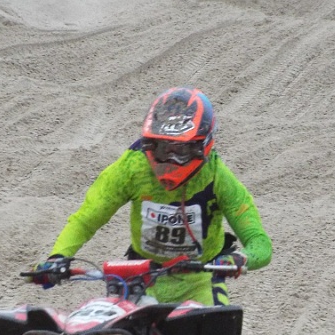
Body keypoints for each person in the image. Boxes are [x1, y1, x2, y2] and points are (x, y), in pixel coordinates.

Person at [31, 86, 272, 306]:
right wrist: (58, 257)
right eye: (160, 148)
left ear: (203, 146)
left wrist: (239, 259)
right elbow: (87, 219)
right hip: (141, 278)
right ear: (147, 143)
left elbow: (260, 244)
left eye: (181, 151)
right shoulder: (131, 168)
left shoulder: (218, 178)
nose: (169, 160)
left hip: (201, 281)